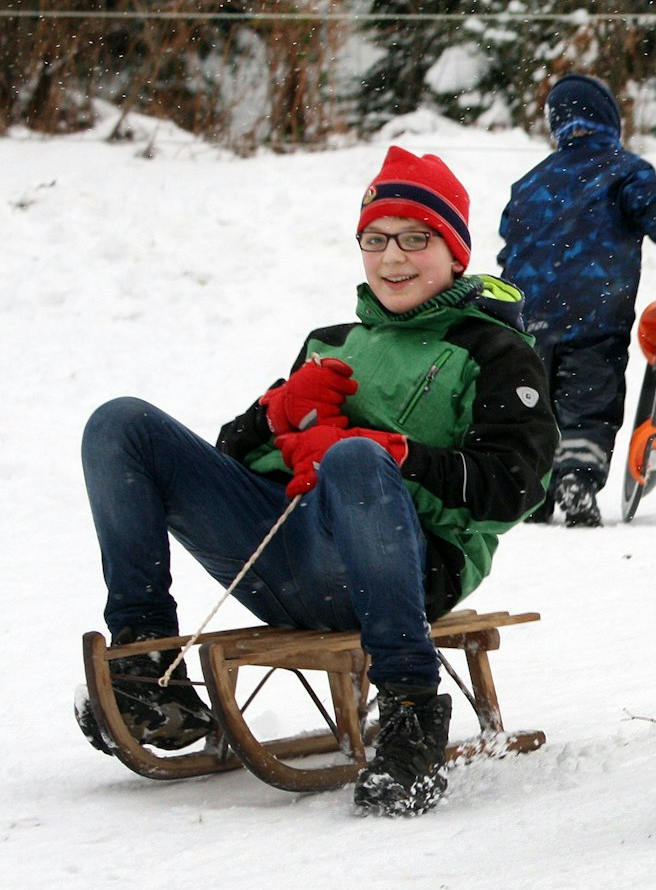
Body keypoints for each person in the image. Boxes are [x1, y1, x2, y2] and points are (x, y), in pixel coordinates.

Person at [78, 147, 558, 816]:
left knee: (355, 460)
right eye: (375, 238)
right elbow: (228, 465)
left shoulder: (495, 350)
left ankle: (412, 710)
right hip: (283, 554)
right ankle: (145, 671)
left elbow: (516, 486)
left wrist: (398, 455)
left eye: (417, 238)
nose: (393, 256)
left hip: (410, 570)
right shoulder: (329, 342)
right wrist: (271, 414)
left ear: (454, 251)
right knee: (120, 426)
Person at [499, 72, 656, 526]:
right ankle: (578, 476)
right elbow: (654, 206)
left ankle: (539, 487)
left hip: (532, 319)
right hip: (595, 314)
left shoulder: (529, 183)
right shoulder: (624, 168)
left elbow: (510, 243)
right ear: (609, 120)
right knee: (590, 399)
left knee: (539, 405)